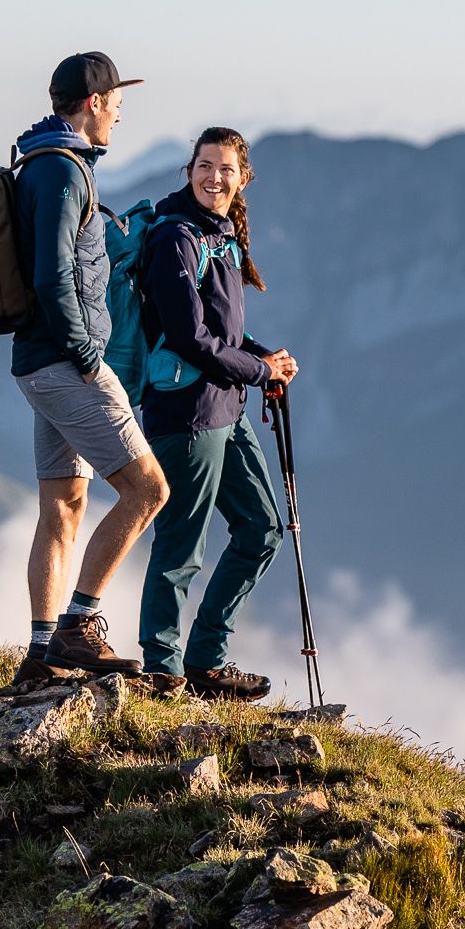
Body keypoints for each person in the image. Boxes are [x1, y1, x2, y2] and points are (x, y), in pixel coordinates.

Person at [9, 52, 169, 683]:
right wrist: (83, 355)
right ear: (94, 102)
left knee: (65, 504)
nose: (121, 114)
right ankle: (79, 626)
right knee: (148, 489)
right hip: (65, 364)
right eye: (117, 102)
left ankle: (41, 655)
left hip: (37, 364)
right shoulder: (63, 173)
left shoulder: (39, 164)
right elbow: (52, 274)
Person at [133, 126, 297, 698]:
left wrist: (262, 356)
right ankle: (162, 668)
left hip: (226, 409)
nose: (214, 177)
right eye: (204, 166)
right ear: (189, 170)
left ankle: (204, 658)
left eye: (225, 169)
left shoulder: (220, 235)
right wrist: (259, 371)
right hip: (185, 413)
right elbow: (188, 338)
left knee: (262, 530)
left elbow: (224, 330)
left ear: (243, 179)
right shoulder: (176, 237)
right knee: (181, 545)